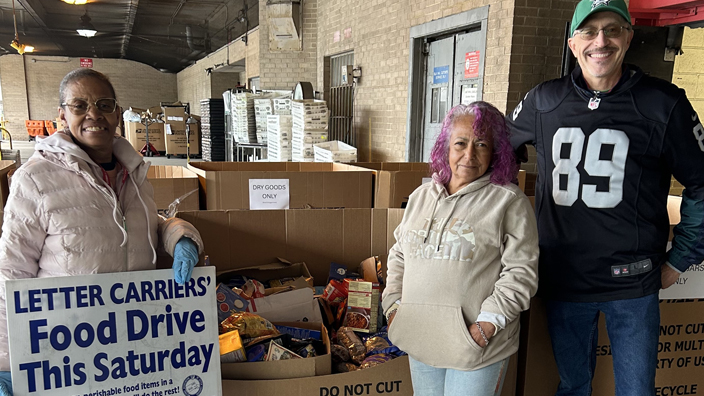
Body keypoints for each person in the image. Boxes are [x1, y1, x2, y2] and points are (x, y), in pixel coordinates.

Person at [506, 0, 704, 395]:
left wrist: (681, 258)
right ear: (573, 43)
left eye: (613, 29)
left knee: (636, 391)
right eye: (589, 31)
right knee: (573, 384)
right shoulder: (543, 101)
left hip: (632, 282)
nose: (601, 40)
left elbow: (702, 183)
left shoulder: (664, 103)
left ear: (629, 37)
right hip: (563, 277)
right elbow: (499, 156)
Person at [0, 68, 205, 396]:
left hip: (133, 345)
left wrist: (180, 235)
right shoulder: (35, 180)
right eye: (79, 105)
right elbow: (11, 275)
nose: (93, 114)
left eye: (104, 104)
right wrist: (7, 363)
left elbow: (148, 222)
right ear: (62, 115)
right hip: (67, 354)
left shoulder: (133, 172)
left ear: (118, 114)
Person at [382, 102, 539, 396]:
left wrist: (486, 326)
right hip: (420, 336)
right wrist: (393, 306)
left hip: (475, 347)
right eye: (461, 143)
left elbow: (521, 271)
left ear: (495, 152)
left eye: (481, 144)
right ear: (445, 148)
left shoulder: (507, 201)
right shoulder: (421, 197)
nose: (469, 154)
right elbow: (399, 253)